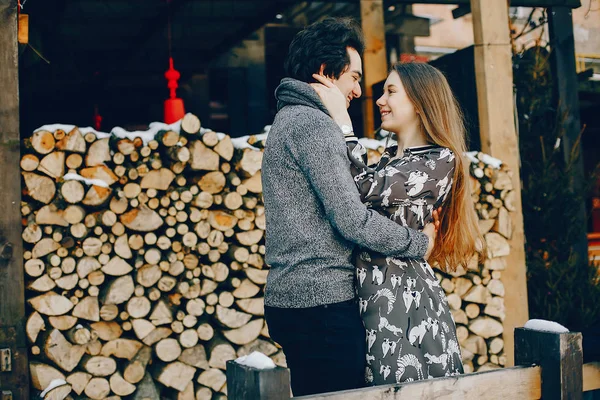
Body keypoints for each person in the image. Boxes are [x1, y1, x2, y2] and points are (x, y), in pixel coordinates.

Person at [261, 18, 439, 396]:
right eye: (354, 78)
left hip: (297, 300)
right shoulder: (313, 125)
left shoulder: (288, 120)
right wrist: (420, 244)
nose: (359, 90)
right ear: (326, 73)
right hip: (321, 304)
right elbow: (353, 219)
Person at [311, 62, 483, 385]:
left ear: (420, 103)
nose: (379, 100)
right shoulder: (391, 157)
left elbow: (360, 189)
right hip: (371, 296)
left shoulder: (440, 159)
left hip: (404, 302)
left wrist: (343, 124)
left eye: (391, 92)